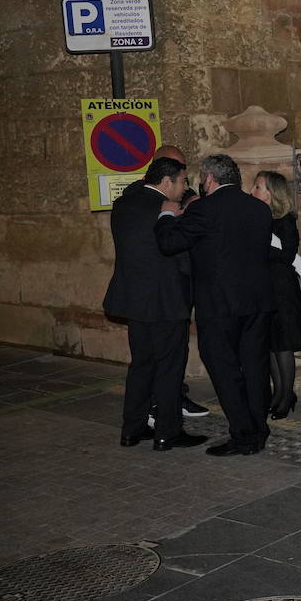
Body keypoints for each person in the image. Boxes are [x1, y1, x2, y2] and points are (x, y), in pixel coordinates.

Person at [155, 154, 274, 457]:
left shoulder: (204, 210)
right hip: (258, 302)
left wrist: (167, 215)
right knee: (256, 367)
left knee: (225, 369)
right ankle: (259, 429)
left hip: (219, 305)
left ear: (208, 179)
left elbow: (169, 243)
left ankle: (244, 435)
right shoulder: (259, 209)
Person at [104, 155, 206, 451]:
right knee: (169, 368)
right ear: (166, 181)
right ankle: (167, 432)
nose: (185, 186)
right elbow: (183, 259)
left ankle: (131, 429)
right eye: (183, 181)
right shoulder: (168, 211)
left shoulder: (123, 205)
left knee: (141, 365)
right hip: (167, 301)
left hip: (135, 302)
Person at [144, 144, 211, 420]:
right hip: (159, 288)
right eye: (179, 172)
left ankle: (176, 397)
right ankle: (159, 407)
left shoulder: (186, 194)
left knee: (177, 349)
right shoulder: (145, 199)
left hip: (184, 283)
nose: (185, 179)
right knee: (158, 353)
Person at [250, 171, 301, 419]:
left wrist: (258, 247)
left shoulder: (285, 221)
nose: (253, 190)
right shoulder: (256, 217)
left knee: (283, 345)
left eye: (258, 187)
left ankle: (287, 395)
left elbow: (286, 255)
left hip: (282, 290)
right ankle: (277, 393)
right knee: (271, 344)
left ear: (272, 193)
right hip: (263, 288)